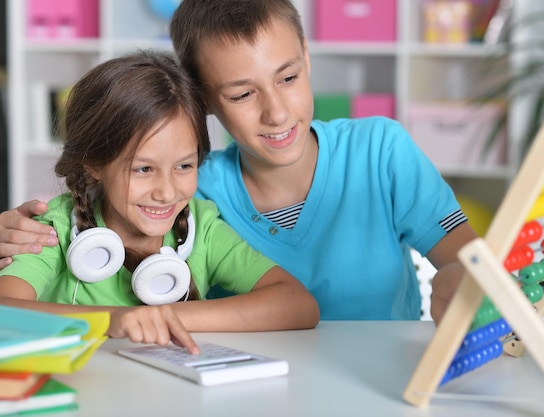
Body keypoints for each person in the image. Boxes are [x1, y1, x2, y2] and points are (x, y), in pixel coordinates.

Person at [0, 0, 476, 324]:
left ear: (307, 58)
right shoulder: (188, 187)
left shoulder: (381, 149)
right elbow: (106, 190)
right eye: (243, 93)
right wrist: (15, 229)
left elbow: (467, 262)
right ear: (202, 98)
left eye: (288, 77)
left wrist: (461, 278)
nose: (276, 111)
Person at [0, 50, 320, 353]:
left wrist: (167, 317)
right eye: (143, 169)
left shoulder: (203, 228)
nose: (166, 192)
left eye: (184, 166)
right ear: (94, 164)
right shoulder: (55, 227)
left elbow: (298, 304)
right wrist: (111, 320)